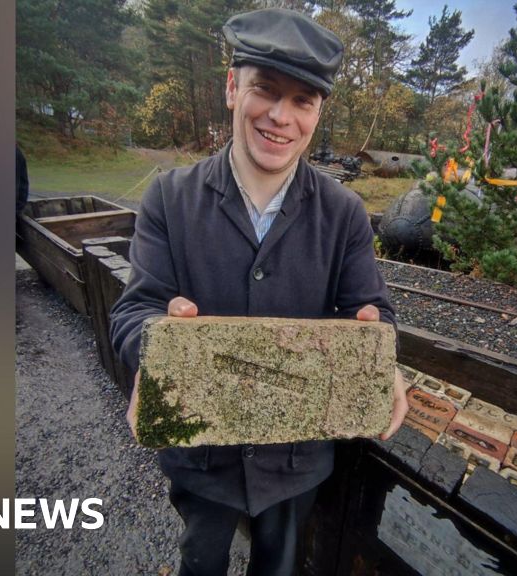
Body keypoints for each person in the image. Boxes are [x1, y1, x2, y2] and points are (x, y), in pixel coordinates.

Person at [109, 8, 409, 575]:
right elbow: (134, 310)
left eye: (303, 101)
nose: (280, 117)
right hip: (201, 456)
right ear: (231, 88)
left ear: (318, 112)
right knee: (201, 562)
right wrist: (154, 344)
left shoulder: (344, 213)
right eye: (265, 90)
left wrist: (382, 359)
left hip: (297, 463)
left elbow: (373, 311)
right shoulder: (169, 199)